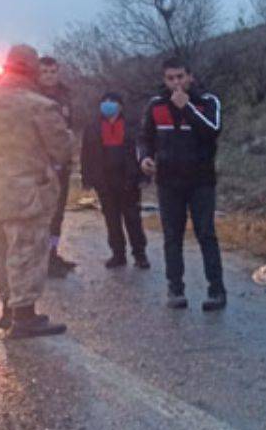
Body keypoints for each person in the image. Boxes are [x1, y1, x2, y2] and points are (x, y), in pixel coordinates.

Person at [0, 44, 72, 338]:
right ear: (32, 69)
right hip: (28, 194)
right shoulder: (39, 105)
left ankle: (7, 309)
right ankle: (24, 315)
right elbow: (62, 148)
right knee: (26, 250)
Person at [139, 58, 225, 311]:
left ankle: (216, 290)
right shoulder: (155, 105)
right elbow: (144, 137)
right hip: (168, 181)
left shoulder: (208, 102)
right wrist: (144, 157)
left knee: (206, 234)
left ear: (190, 76)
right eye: (170, 78)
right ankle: (175, 287)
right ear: (164, 80)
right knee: (172, 236)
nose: (176, 83)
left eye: (180, 77)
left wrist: (187, 108)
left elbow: (212, 131)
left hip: (200, 180)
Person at [81, 92, 149, 269]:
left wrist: (143, 176)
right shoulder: (93, 128)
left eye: (112, 102)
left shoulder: (132, 126)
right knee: (111, 219)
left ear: (120, 105)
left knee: (133, 218)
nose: (107, 105)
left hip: (128, 180)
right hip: (104, 181)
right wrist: (87, 179)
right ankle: (118, 254)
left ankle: (140, 254)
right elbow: (86, 155)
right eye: (104, 101)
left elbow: (142, 151)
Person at [37, 56, 78, 277]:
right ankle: (40, 260)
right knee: (43, 215)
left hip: (62, 163)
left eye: (53, 71)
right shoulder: (32, 97)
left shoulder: (65, 95)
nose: (49, 76)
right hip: (41, 166)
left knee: (58, 214)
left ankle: (53, 254)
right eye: (44, 72)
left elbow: (69, 127)